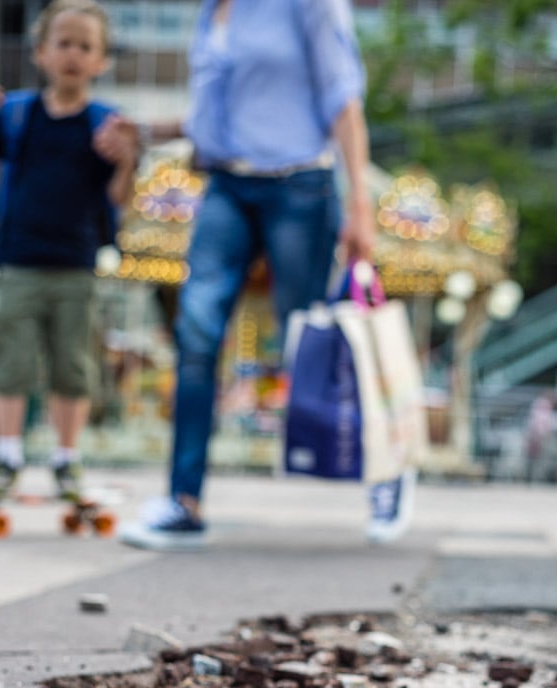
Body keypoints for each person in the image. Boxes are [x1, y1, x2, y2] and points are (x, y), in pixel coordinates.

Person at [110, 0, 407, 550]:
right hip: (226, 185)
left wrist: (360, 205)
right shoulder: (210, 13)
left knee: (314, 342)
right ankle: (184, 501)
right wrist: (145, 130)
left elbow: (343, 99)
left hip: (300, 187)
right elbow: (217, 119)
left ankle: (389, 472)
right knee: (196, 335)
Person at [0, 0, 136, 505]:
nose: (73, 54)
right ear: (41, 53)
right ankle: (6, 455)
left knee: (72, 365)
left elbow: (120, 198)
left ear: (101, 60)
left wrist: (127, 160)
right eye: (64, 43)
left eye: (85, 47)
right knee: (10, 361)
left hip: (77, 263)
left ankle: (66, 460)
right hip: (17, 260)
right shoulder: (18, 115)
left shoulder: (104, 124)